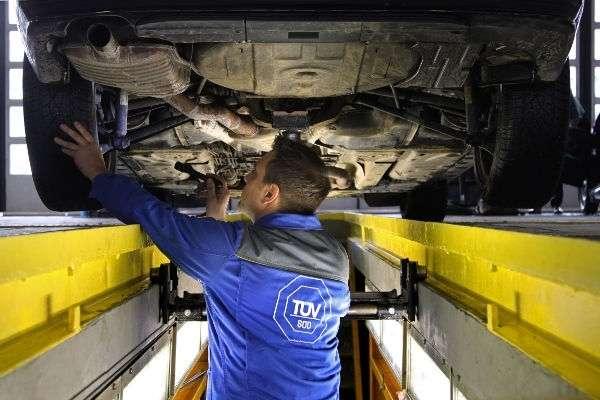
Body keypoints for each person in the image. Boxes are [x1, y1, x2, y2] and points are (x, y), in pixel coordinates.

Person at [54, 122, 351, 400]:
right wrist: (216, 220)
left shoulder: (234, 250)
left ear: (270, 193)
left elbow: (153, 215)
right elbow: (249, 278)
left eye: (254, 173)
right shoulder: (336, 259)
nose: (246, 178)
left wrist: (96, 170)